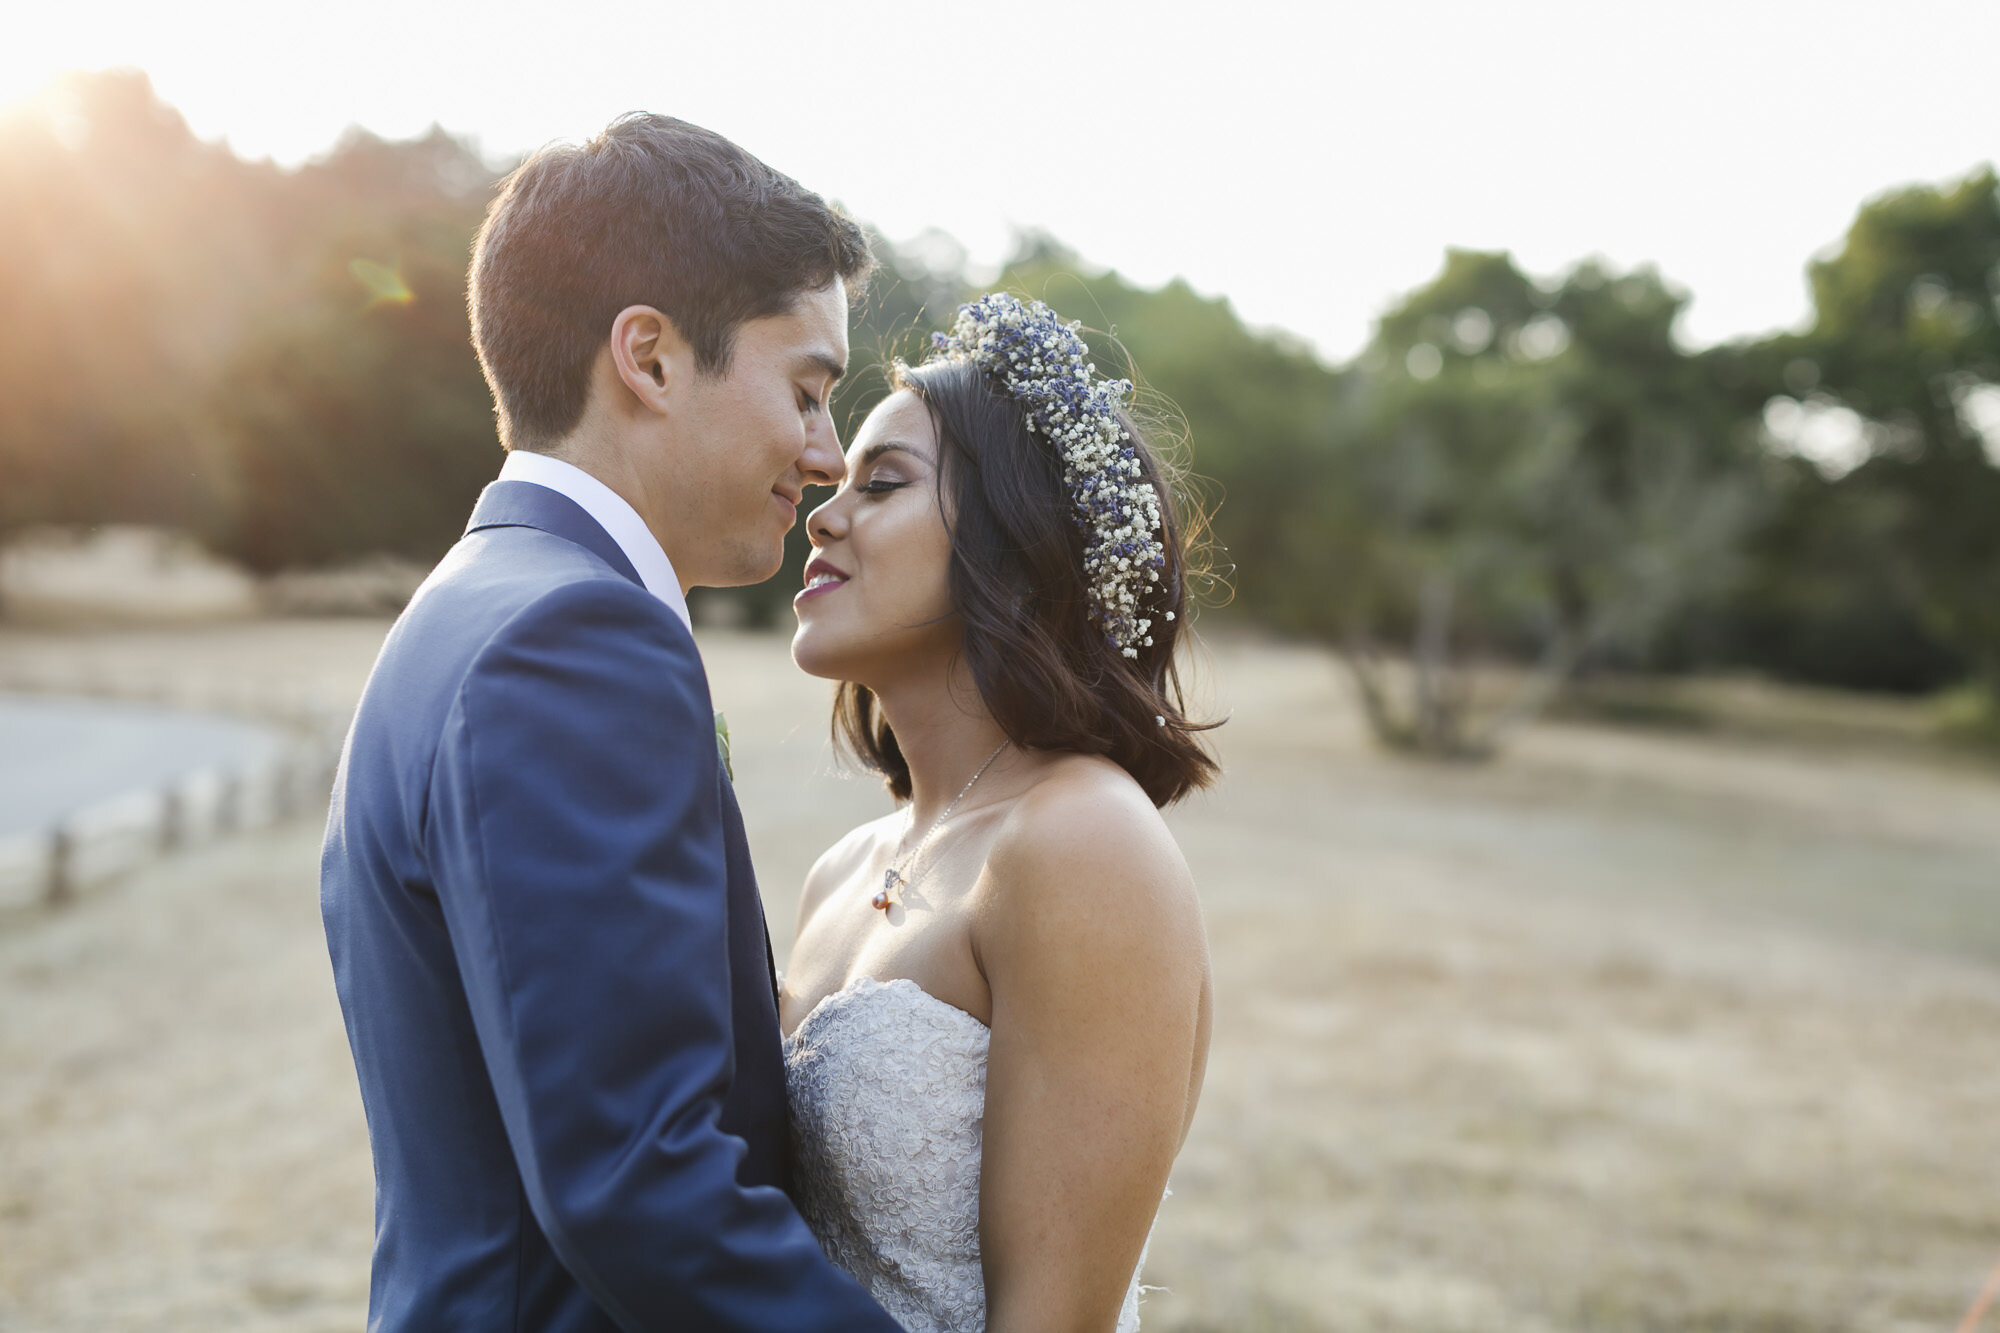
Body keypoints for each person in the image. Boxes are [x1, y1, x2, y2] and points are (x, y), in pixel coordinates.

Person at [319, 113, 903, 1331]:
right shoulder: (570, 642)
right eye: (804, 389)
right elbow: (637, 1179)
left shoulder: (473, 603)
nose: (824, 453)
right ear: (647, 357)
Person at [782, 293, 1218, 1332]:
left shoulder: (1079, 841)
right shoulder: (843, 867)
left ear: (1013, 549)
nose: (822, 513)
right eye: (836, 483)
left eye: (879, 483)